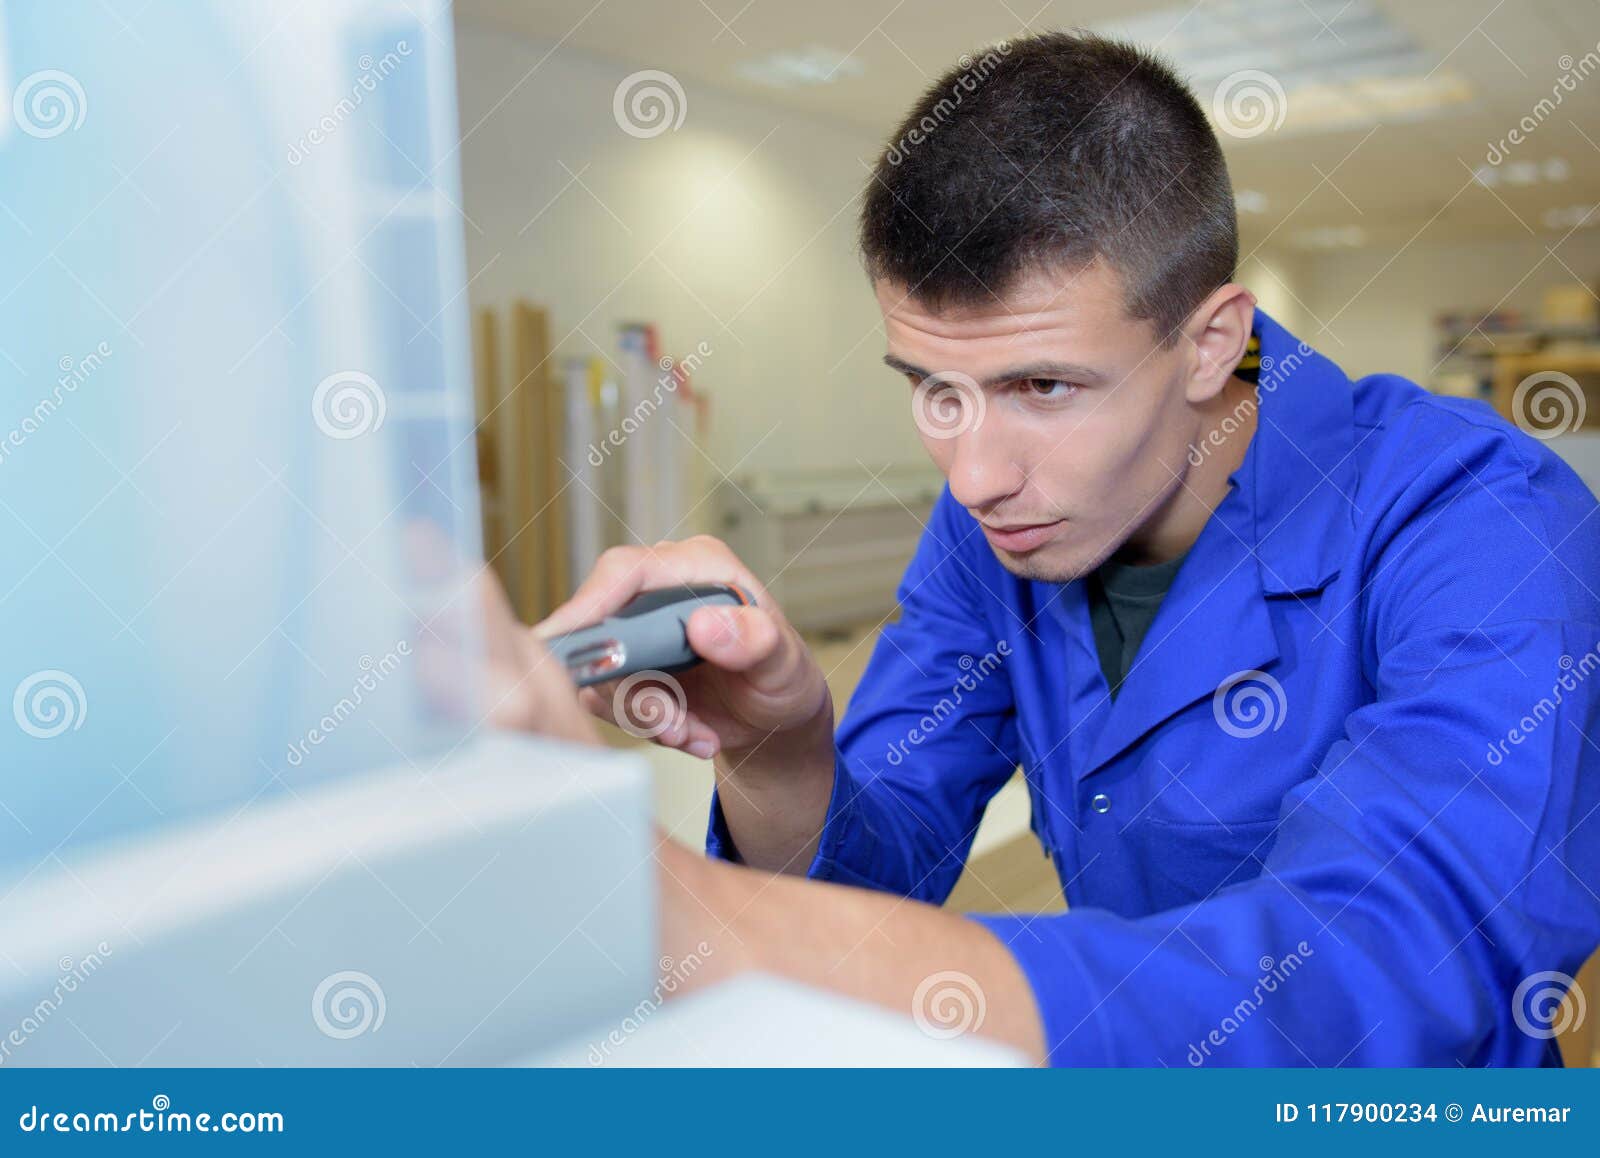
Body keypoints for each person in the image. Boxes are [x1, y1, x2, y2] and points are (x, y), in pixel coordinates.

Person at [495, 31, 1600, 1065]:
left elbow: (1392, 960)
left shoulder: (1476, 518)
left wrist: (689, 914)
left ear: (1210, 342)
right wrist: (780, 753)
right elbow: (885, 872)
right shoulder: (999, 527)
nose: (974, 477)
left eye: (1044, 387)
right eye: (934, 389)